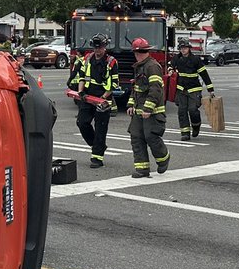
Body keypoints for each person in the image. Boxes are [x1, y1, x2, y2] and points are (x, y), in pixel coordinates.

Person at [67, 33, 119, 169]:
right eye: (95, 47)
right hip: (88, 97)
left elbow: (114, 84)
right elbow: (82, 77)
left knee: (101, 128)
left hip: (103, 99)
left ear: (105, 47)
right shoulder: (87, 59)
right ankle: (97, 144)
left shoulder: (111, 62)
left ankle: (97, 157)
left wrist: (104, 97)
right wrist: (81, 92)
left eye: (100, 47)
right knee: (82, 123)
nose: (97, 50)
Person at [126, 37, 169, 177]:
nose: (138, 55)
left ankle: (163, 159)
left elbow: (156, 89)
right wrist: (131, 104)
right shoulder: (139, 66)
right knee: (136, 137)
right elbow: (136, 88)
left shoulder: (152, 66)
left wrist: (148, 108)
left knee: (151, 137)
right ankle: (142, 169)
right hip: (139, 112)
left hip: (153, 112)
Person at [169, 38, 214, 139]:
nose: (183, 50)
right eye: (181, 48)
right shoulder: (177, 58)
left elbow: (204, 74)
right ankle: (185, 133)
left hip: (194, 89)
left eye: (185, 48)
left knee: (193, 110)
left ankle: (196, 126)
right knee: (182, 111)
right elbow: (170, 65)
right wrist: (171, 70)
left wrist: (210, 89)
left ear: (189, 48)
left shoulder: (195, 60)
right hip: (181, 90)